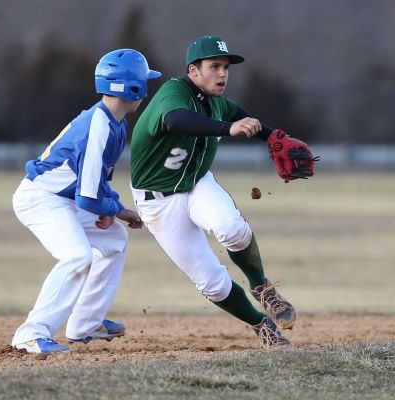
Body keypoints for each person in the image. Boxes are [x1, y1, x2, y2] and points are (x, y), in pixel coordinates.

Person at [130, 35, 316, 349]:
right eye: (214, 66)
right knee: (211, 284)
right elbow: (177, 120)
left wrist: (272, 138)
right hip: (157, 202)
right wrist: (226, 128)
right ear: (193, 70)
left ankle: (263, 289)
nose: (223, 74)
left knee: (232, 228)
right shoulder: (173, 93)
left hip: (197, 184)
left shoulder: (217, 101)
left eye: (226, 67)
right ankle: (262, 326)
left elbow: (244, 118)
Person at [11, 49, 161, 353]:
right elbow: (88, 196)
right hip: (41, 198)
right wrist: (117, 209)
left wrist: (112, 209)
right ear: (131, 88)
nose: (145, 89)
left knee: (113, 239)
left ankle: (86, 323)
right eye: (143, 82)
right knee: (78, 256)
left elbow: (96, 183)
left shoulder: (112, 121)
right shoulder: (100, 126)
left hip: (64, 199)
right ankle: (31, 333)